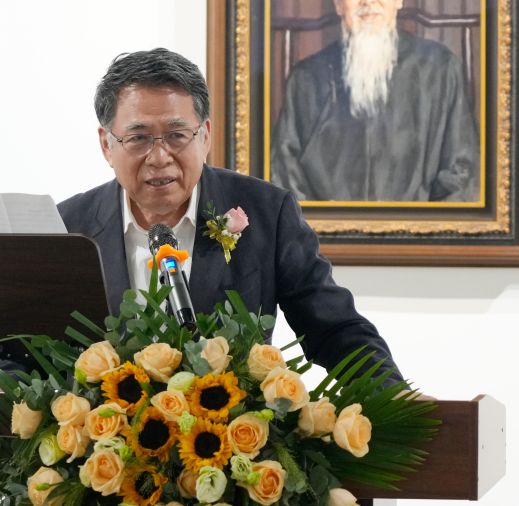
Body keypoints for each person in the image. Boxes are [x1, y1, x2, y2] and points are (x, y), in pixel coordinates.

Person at [58, 48, 400, 379]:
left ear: (205, 136)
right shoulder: (68, 227)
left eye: (177, 135)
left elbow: (334, 330)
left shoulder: (267, 213)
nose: (159, 157)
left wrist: (393, 395)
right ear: (107, 145)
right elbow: (37, 349)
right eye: (138, 138)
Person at [271, 0, 479, 202]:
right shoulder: (306, 79)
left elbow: (463, 176)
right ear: (338, 1)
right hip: (323, 228)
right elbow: (284, 179)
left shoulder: (440, 69)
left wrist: (423, 225)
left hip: (420, 228)